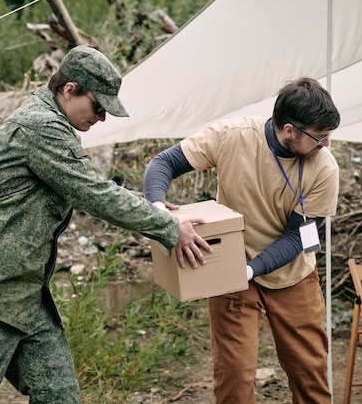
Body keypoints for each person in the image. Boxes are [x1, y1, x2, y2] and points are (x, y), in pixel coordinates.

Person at [0, 45, 210, 404]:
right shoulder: (40, 127)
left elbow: (93, 185)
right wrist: (169, 228)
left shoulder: (50, 124)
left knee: (59, 396)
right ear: (69, 89)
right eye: (98, 107)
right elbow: (94, 193)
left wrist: (153, 209)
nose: (101, 118)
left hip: (23, 295)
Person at [143, 77, 340, 404]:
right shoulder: (231, 137)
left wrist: (250, 270)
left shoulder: (324, 169)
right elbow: (163, 163)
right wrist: (160, 210)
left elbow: (298, 237)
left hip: (293, 275)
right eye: (320, 137)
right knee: (233, 377)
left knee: (310, 373)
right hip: (231, 274)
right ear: (290, 130)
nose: (327, 145)